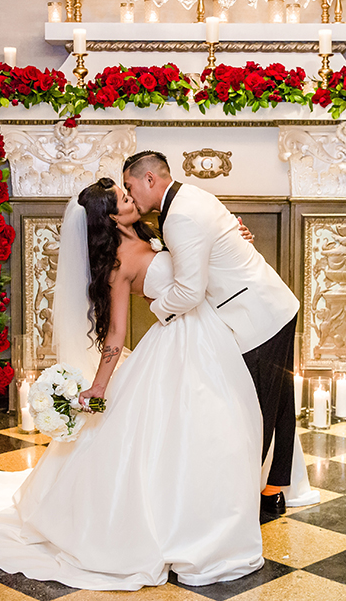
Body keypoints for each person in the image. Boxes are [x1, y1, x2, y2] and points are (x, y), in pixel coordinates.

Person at [0, 178, 264, 591]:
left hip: (207, 336)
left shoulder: (153, 229)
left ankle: (208, 519)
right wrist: (100, 386)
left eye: (127, 191)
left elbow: (197, 256)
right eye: (123, 198)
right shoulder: (119, 263)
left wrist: (232, 237)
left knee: (219, 429)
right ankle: (178, 527)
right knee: (184, 434)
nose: (132, 198)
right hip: (176, 342)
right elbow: (115, 333)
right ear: (111, 220)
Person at [121, 150, 305, 521]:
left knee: (258, 410)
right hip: (272, 305)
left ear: (150, 180)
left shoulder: (180, 216)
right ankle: (272, 491)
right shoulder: (191, 197)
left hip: (258, 317)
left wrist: (156, 309)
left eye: (130, 186)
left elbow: (189, 292)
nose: (130, 195)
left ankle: (246, 501)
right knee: (280, 403)